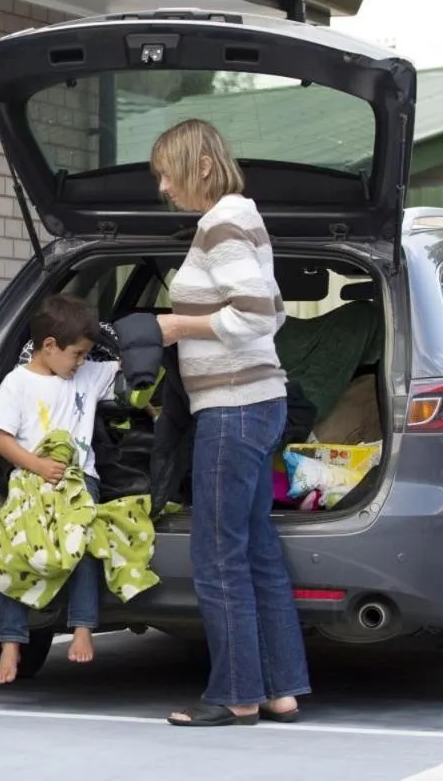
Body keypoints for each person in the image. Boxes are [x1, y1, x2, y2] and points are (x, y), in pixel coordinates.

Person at [151, 119, 310, 727]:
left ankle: (236, 694)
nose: (164, 186)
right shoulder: (238, 219)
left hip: (235, 407)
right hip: (256, 402)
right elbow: (271, 308)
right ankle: (281, 689)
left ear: (204, 168)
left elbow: (256, 313)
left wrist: (175, 326)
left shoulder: (223, 223)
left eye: (169, 171)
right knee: (257, 551)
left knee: (218, 555)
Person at [0, 294, 119, 683]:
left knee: (83, 545)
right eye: (76, 354)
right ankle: (10, 643)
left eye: (86, 355)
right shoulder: (17, 383)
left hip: (79, 482)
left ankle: (82, 628)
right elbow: (1, 440)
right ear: (48, 346)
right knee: (15, 553)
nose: (81, 363)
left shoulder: (87, 375)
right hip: (31, 480)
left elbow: (134, 358)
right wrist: (38, 466)